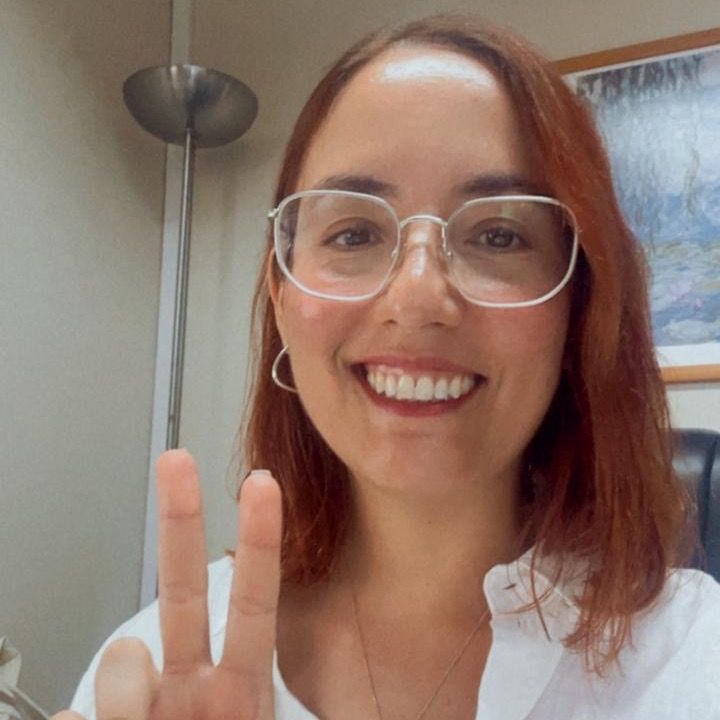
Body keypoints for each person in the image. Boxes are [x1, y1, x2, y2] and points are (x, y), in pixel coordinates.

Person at [54, 13, 720, 720]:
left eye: (499, 235)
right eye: (353, 233)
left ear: (580, 305)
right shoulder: (158, 677)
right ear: (282, 298)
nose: (417, 297)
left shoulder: (691, 661)